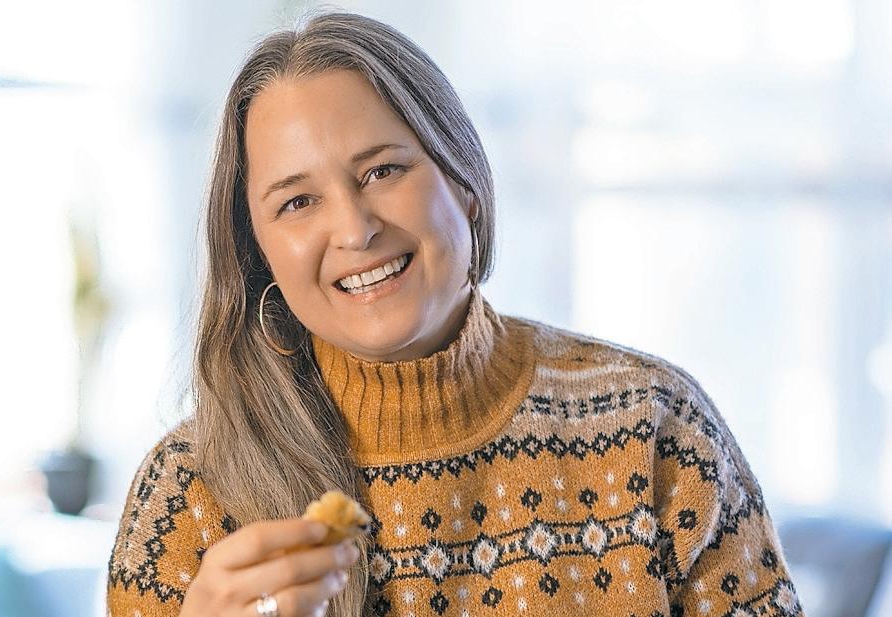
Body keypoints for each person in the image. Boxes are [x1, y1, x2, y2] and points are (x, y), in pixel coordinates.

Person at [107, 10, 803, 617]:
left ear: (463, 180)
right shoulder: (187, 494)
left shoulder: (655, 425)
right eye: (297, 201)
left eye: (383, 170)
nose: (354, 229)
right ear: (259, 253)